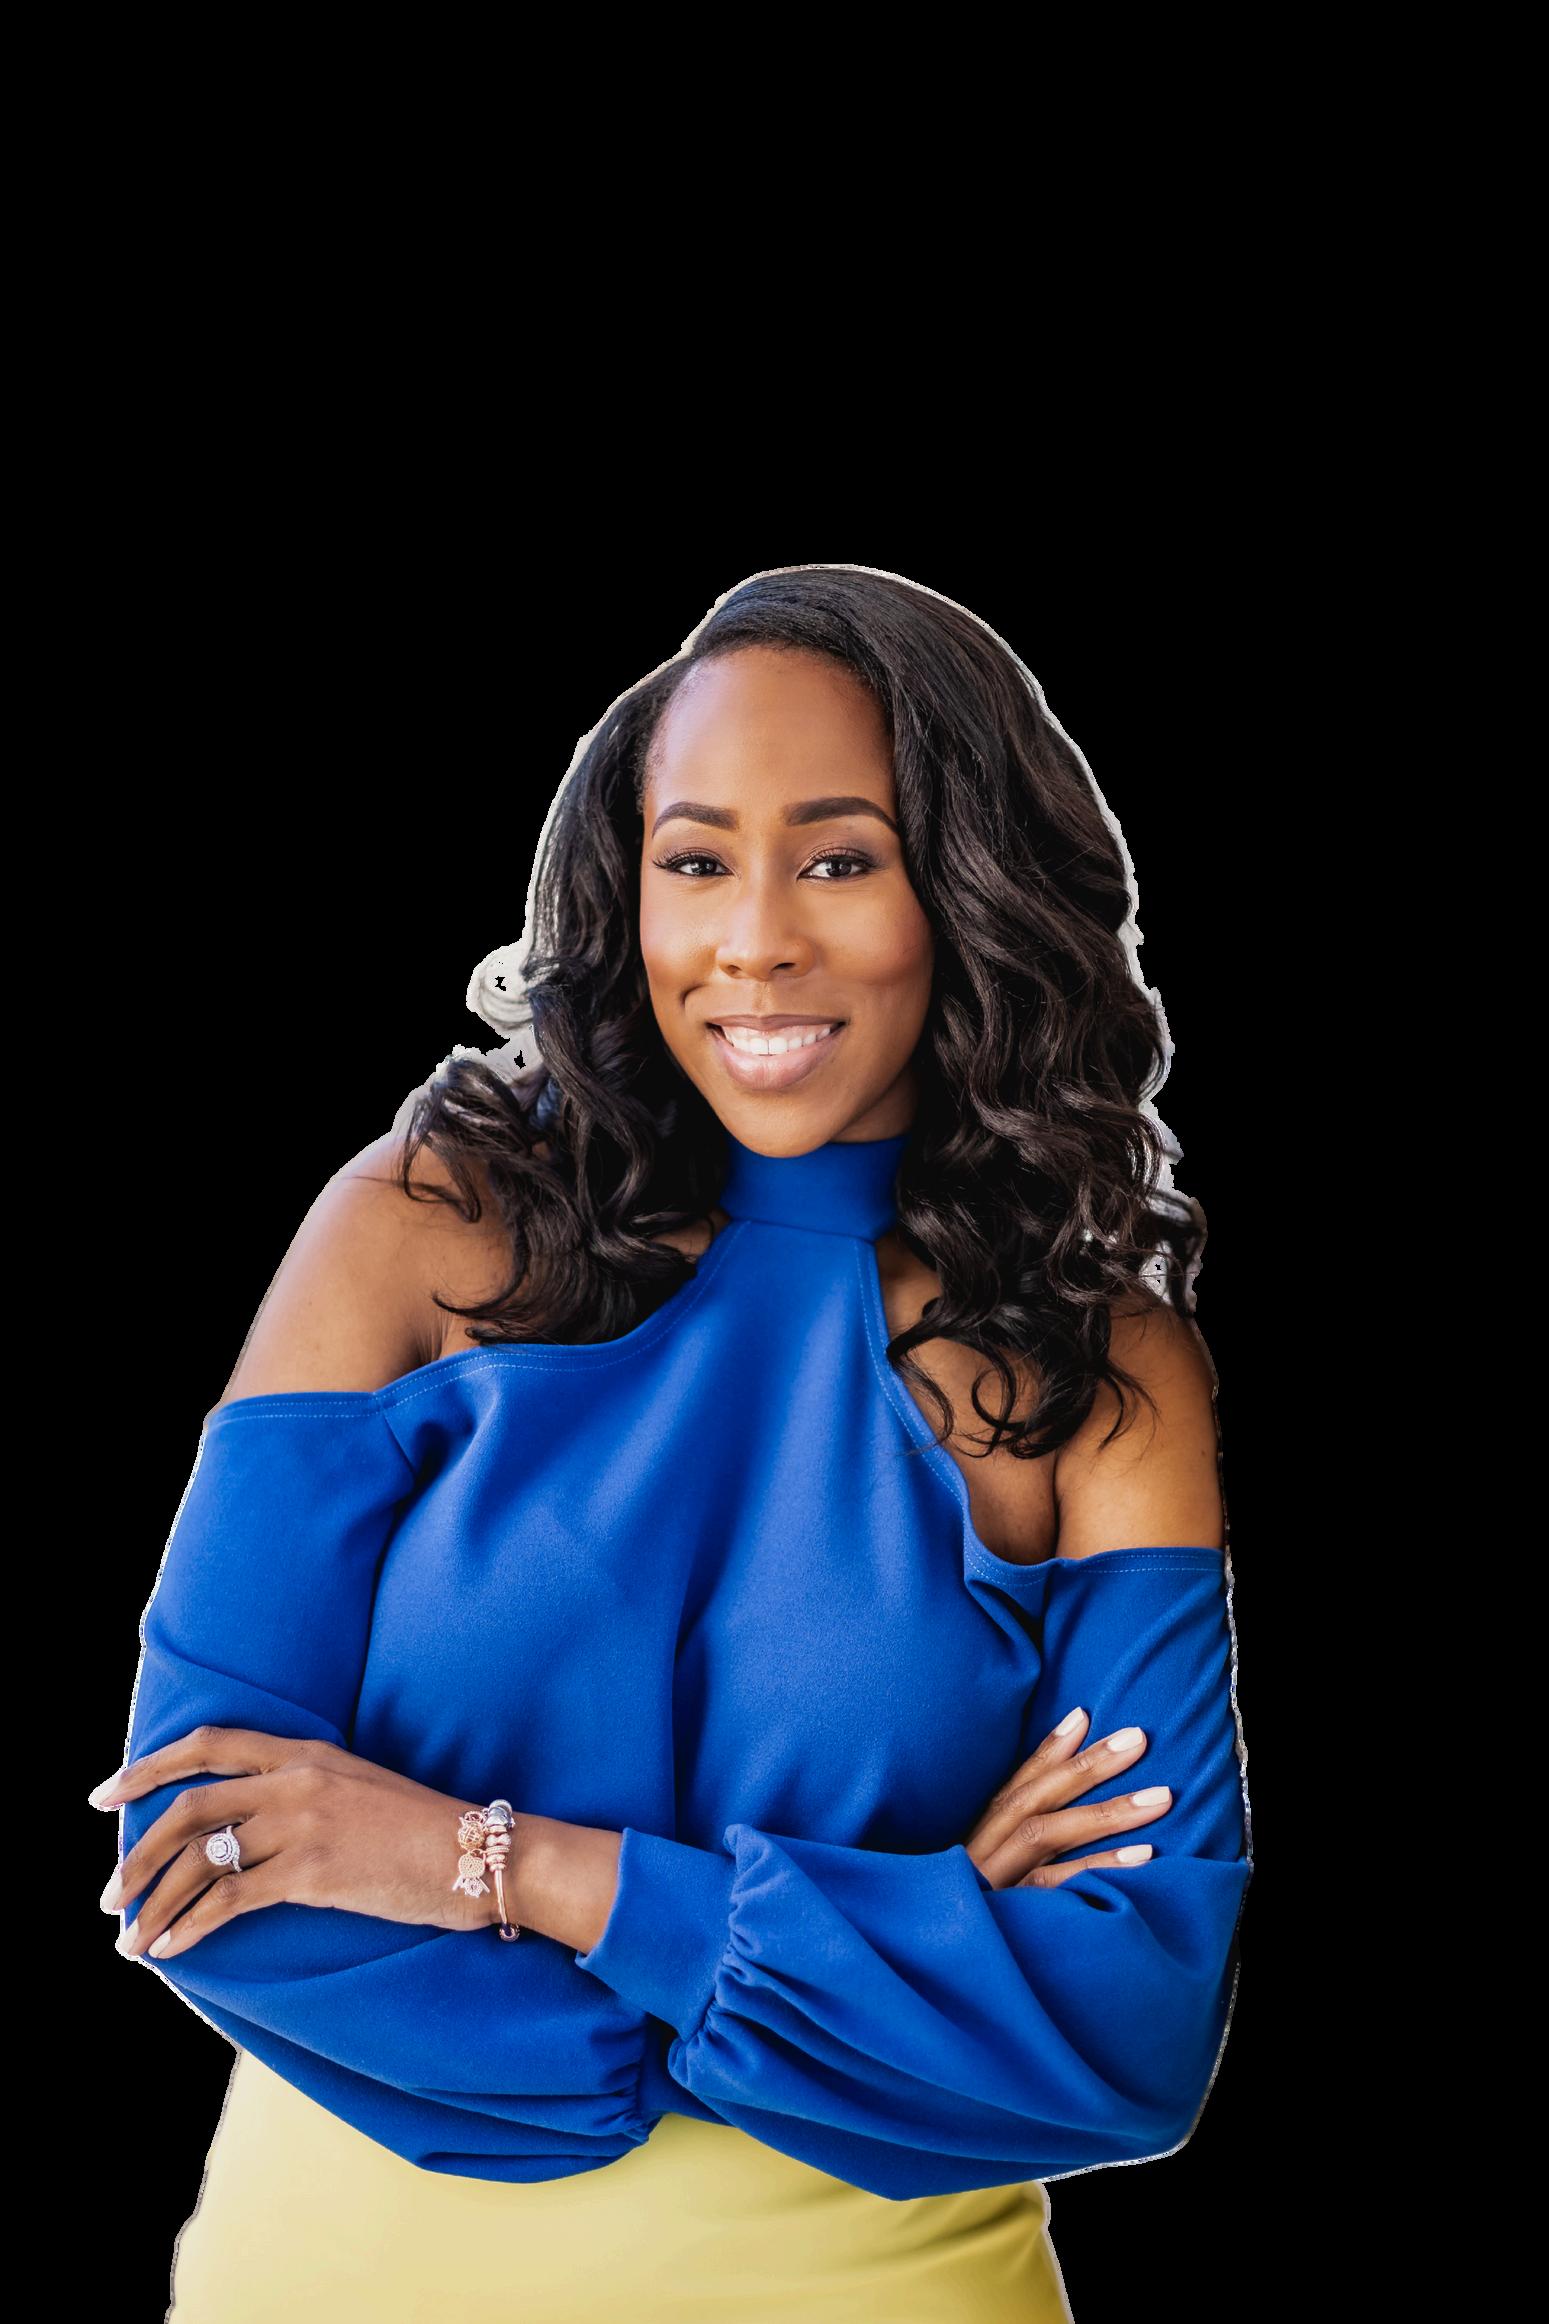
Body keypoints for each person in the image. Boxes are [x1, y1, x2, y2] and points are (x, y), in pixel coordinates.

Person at [96, 565, 1252, 2321]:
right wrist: (898, 1938)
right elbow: (201, 1854)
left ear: (970, 893)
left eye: (841, 860)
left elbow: (1131, 2025)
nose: (754, 940)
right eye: (696, 861)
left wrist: (507, 1870)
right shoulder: (422, 1227)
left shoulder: (1101, 1372)